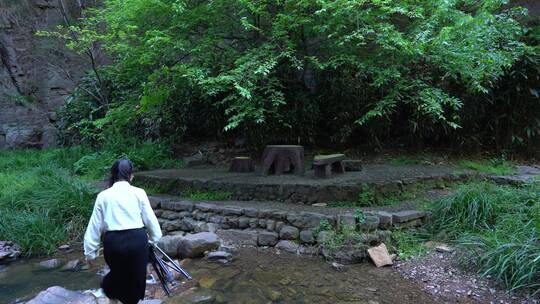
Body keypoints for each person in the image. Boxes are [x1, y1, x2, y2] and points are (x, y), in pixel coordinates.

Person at [84, 159, 162, 304]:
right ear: (130, 175)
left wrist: (90, 253)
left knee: (118, 275)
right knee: (135, 279)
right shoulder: (139, 193)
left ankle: (113, 296)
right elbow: (150, 220)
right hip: (137, 241)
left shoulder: (103, 196)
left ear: (112, 175)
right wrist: (153, 240)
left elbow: (95, 225)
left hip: (114, 243)